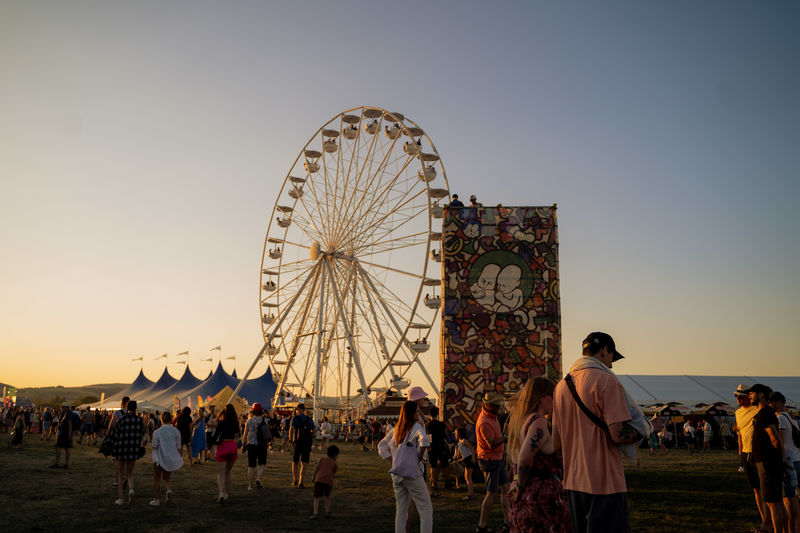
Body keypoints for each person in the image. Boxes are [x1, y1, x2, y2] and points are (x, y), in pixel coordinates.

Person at [552, 332, 658, 533]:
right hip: (605, 482)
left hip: (574, 482)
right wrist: (649, 428)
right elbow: (619, 434)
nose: (611, 364)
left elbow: (556, 442)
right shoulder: (606, 381)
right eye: (612, 357)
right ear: (604, 350)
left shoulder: (561, 387)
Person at [506, 377, 568, 533]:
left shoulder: (521, 421)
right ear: (542, 397)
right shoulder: (539, 422)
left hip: (525, 495)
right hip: (538, 498)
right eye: (552, 395)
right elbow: (524, 458)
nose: (555, 399)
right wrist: (521, 487)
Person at [378, 400, 432, 533]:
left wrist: (394, 461)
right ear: (412, 413)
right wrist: (419, 456)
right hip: (412, 473)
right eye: (418, 412)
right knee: (425, 508)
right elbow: (425, 441)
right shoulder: (416, 427)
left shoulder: (395, 430)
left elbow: (381, 447)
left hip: (397, 475)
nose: (419, 414)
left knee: (401, 511)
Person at [746, 384, 789, 533]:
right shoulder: (765, 412)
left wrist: (780, 460)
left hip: (767, 462)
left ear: (761, 395)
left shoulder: (765, 413)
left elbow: (775, 439)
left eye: (751, 393)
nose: (749, 396)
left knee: (773, 503)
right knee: (777, 502)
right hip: (768, 462)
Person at [734, 383, 773, 533]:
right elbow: (741, 433)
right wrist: (740, 452)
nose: (737, 398)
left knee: (765, 490)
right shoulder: (737, 413)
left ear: (747, 396)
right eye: (736, 396)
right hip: (745, 454)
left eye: (739, 396)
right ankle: (764, 521)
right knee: (756, 490)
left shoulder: (758, 409)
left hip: (758, 453)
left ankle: (768, 523)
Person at [475, 392, 510, 533]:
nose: (498, 408)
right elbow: (492, 444)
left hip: (497, 459)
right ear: (488, 405)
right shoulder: (484, 422)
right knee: (491, 493)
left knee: (506, 488)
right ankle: (481, 525)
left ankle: (507, 523)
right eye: (496, 406)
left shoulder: (492, 418)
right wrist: (505, 437)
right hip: (489, 461)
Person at [769, 391, 800, 533]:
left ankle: (790, 529)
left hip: (788, 459)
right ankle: (796, 526)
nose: (770, 405)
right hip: (797, 457)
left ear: (778, 402)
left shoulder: (780, 418)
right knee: (793, 495)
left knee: (789, 497)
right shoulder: (791, 417)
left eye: (771, 402)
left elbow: (779, 441)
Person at [109, 400, 145, 505]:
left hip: (122, 448)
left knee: (120, 474)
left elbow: (115, 433)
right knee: (130, 473)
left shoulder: (122, 419)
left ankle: (121, 498)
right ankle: (131, 490)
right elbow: (142, 433)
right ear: (136, 408)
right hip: (133, 449)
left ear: (127, 407)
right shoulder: (140, 420)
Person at [150, 411, 183, 506]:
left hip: (158, 458)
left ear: (161, 419)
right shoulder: (176, 432)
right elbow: (179, 447)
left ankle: (156, 500)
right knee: (167, 478)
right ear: (170, 419)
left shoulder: (157, 432)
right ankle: (168, 491)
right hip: (170, 458)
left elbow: (154, 447)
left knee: (156, 479)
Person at [210, 404, 240, 503]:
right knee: (228, 472)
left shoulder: (222, 423)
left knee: (221, 473)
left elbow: (215, 437)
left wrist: (215, 443)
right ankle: (227, 492)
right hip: (232, 445)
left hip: (223, 446)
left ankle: (221, 493)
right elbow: (237, 433)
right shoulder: (235, 422)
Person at [242, 403, 270, 490]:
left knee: (251, 465)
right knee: (261, 463)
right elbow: (266, 432)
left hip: (251, 445)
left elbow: (245, 434)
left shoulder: (249, 421)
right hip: (262, 444)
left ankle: (250, 485)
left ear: (252, 411)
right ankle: (258, 478)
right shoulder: (264, 420)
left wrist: (244, 444)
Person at [311, 445, 340, 520]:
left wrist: (313, 477)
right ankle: (327, 511)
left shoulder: (322, 459)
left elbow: (317, 468)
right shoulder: (334, 464)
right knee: (327, 496)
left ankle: (315, 513)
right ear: (335, 455)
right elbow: (333, 472)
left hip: (319, 480)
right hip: (328, 482)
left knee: (316, 498)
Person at [290, 403, 315, 488]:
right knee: (304, 462)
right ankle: (301, 481)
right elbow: (314, 430)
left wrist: (291, 440)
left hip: (298, 442)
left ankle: (295, 479)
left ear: (298, 410)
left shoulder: (295, 418)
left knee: (295, 462)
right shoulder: (309, 419)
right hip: (307, 443)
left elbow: (291, 429)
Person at [426, 406, 449, 497]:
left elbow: (428, 437)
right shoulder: (442, 424)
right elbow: (445, 435)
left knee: (433, 465)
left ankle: (434, 483)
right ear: (437, 414)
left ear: (429, 414)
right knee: (445, 464)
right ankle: (446, 480)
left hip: (433, 447)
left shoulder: (428, 425)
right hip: (441, 446)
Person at [51, 404, 80, 468]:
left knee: (58, 447)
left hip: (64, 433)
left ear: (65, 407)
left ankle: (57, 463)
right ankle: (67, 464)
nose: (61, 409)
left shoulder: (68, 414)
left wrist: (69, 434)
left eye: (62, 407)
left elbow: (70, 424)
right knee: (67, 447)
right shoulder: (70, 413)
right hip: (67, 433)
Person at [452, 427, 476, 500]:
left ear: (459, 434)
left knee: (468, 477)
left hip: (469, 459)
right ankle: (471, 493)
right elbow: (458, 455)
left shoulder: (464, 441)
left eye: (456, 433)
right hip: (466, 460)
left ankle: (470, 494)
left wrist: (473, 457)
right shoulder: (459, 443)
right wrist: (453, 459)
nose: (455, 435)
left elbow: (472, 448)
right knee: (467, 477)